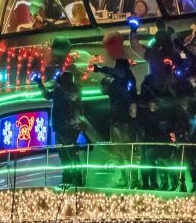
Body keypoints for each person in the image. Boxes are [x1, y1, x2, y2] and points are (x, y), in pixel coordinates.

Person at [37, 70, 87, 187]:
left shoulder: (74, 89)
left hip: (70, 126)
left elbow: (72, 97)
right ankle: (67, 176)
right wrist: (40, 84)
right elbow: (47, 96)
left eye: (64, 78)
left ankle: (77, 178)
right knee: (63, 155)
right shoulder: (59, 91)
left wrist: (59, 86)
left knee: (71, 154)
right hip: (59, 127)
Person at [95, 58, 139, 187]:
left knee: (128, 152)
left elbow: (128, 93)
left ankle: (133, 179)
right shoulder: (117, 80)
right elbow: (103, 90)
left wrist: (106, 73)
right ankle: (122, 178)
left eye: (117, 68)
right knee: (117, 152)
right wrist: (105, 79)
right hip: (116, 120)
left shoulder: (128, 79)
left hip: (126, 121)